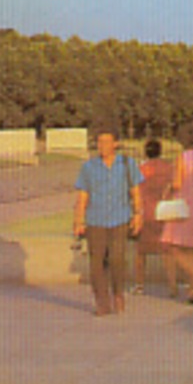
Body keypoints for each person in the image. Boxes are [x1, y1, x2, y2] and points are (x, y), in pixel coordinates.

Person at [72, 128, 142, 316]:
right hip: (96, 220)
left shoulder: (127, 164)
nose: (102, 146)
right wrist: (78, 220)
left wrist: (138, 214)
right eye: (99, 142)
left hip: (120, 219)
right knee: (96, 263)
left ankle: (118, 292)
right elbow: (83, 195)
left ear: (116, 144)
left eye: (107, 142)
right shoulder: (89, 167)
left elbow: (135, 192)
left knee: (117, 259)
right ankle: (102, 301)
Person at [160, 123, 193, 304]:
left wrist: (167, 189)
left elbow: (177, 183)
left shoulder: (182, 158)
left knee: (172, 245)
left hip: (185, 206)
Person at [131, 139, 176, 297]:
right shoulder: (169, 168)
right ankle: (172, 285)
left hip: (145, 212)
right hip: (164, 212)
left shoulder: (141, 169)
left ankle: (139, 285)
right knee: (167, 251)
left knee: (141, 252)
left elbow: (135, 191)